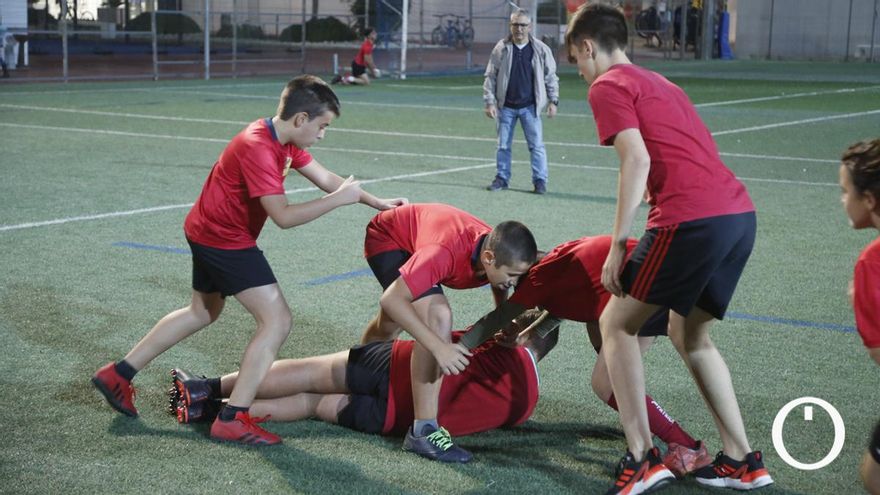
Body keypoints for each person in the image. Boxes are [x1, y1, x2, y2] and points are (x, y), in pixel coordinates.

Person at [91, 75, 407, 446]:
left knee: (201, 312)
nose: (323, 135)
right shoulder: (258, 147)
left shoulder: (283, 139)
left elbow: (326, 178)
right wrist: (341, 199)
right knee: (277, 320)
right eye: (323, 126)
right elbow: (284, 216)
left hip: (207, 230)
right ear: (302, 119)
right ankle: (233, 417)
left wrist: (375, 201)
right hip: (225, 240)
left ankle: (118, 374)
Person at [564, 5, 772, 494]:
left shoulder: (607, 85)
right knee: (689, 334)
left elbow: (637, 159)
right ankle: (743, 459)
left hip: (690, 220)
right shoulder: (662, 82)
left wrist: (618, 244)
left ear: (589, 48)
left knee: (614, 322)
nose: (578, 69)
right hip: (738, 218)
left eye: (576, 57)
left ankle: (640, 458)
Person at [460, 235, 713, 478]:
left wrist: (456, 347)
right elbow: (564, 306)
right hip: (656, 277)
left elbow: (496, 319)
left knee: (606, 383)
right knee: (599, 331)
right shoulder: (556, 262)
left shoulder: (538, 276)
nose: (509, 286)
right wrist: (526, 332)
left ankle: (683, 445)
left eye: (513, 279)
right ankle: (658, 436)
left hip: (644, 288)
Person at [169, 310, 558, 440]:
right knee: (308, 404)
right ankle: (210, 411)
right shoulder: (526, 408)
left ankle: (204, 389)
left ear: (524, 329)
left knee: (307, 372)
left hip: (393, 368)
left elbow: (441, 339)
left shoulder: (502, 347)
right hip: (389, 421)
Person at [361, 202, 537, 462]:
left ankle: (360, 366)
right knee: (437, 315)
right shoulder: (445, 252)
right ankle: (423, 432)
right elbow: (390, 299)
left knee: (392, 323)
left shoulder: (494, 251)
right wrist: (439, 347)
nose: (512, 283)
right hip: (388, 238)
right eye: (512, 275)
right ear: (488, 259)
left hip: (419, 239)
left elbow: (500, 281)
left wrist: (503, 317)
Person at [838, 138, 880, 495]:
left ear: (868, 200)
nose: (842, 201)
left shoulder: (872, 263)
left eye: (844, 191)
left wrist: (864, 309)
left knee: (874, 476)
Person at [483, 8, 559, 195]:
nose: (519, 29)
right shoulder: (501, 47)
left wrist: (553, 100)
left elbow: (551, 77)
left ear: (530, 26)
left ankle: (540, 181)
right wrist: (490, 102)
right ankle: (502, 178)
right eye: (515, 25)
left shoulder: (540, 49)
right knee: (502, 146)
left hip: (530, 108)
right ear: (511, 26)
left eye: (523, 25)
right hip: (505, 107)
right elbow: (490, 76)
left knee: (536, 146)